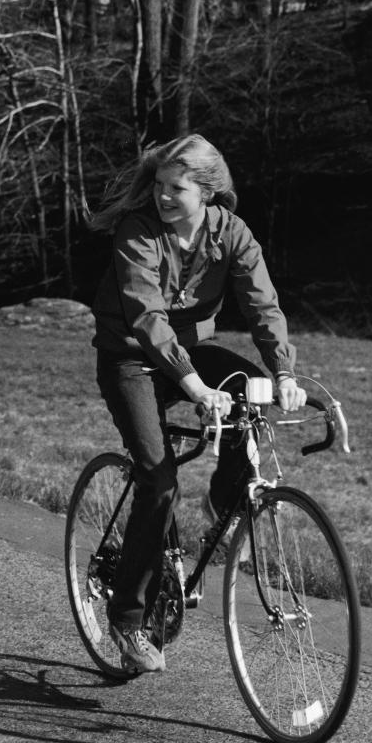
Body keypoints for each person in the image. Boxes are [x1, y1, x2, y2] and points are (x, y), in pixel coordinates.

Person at [90, 134, 307, 675]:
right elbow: (145, 315)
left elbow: (263, 303)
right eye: (160, 185)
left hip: (190, 352)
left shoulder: (232, 233)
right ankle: (128, 619)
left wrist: (283, 372)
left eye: (176, 188)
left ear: (209, 192)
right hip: (133, 359)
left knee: (250, 393)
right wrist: (191, 384)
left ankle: (224, 505)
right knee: (158, 481)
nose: (163, 196)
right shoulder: (137, 230)